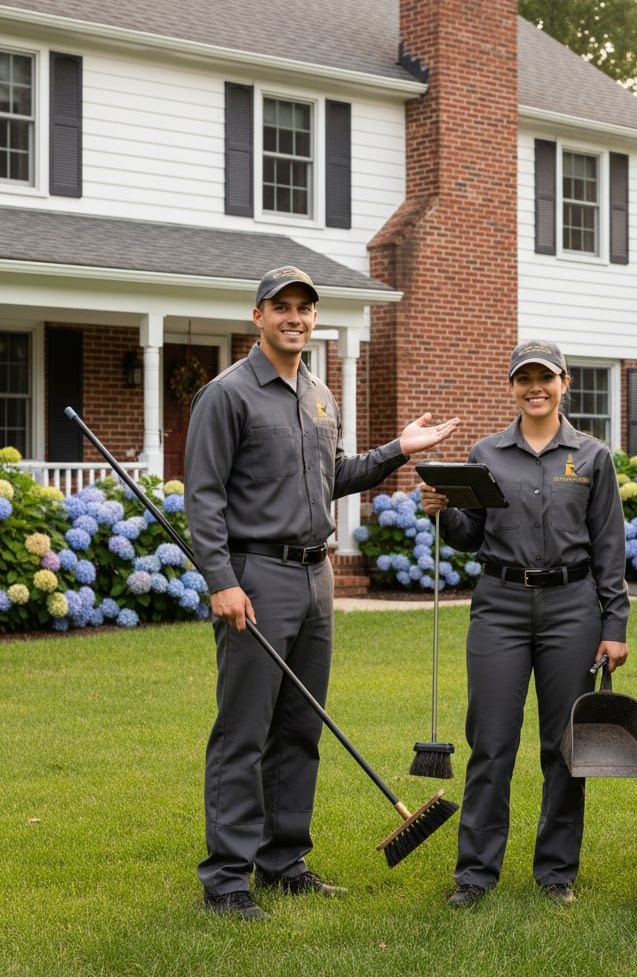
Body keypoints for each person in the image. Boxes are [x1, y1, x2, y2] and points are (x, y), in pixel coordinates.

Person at [184, 265, 459, 921]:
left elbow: (334, 475)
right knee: (244, 731)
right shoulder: (227, 395)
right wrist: (222, 581)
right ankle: (226, 879)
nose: (295, 317)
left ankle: (284, 862)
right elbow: (204, 497)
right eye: (281, 306)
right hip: (256, 577)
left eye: (304, 308)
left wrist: (399, 449)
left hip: (316, 577)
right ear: (258, 316)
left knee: (300, 727)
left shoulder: (319, 394)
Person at [419, 339, 629, 908]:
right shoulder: (487, 453)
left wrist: (615, 625)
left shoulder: (592, 457)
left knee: (565, 745)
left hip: (572, 608)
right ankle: (475, 874)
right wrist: (444, 512)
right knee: (490, 742)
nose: (535, 388)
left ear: (564, 383)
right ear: (512, 386)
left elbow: (610, 547)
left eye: (545, 378)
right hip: (500, 607)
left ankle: (556, 871)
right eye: (524, 379)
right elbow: (471, 536)